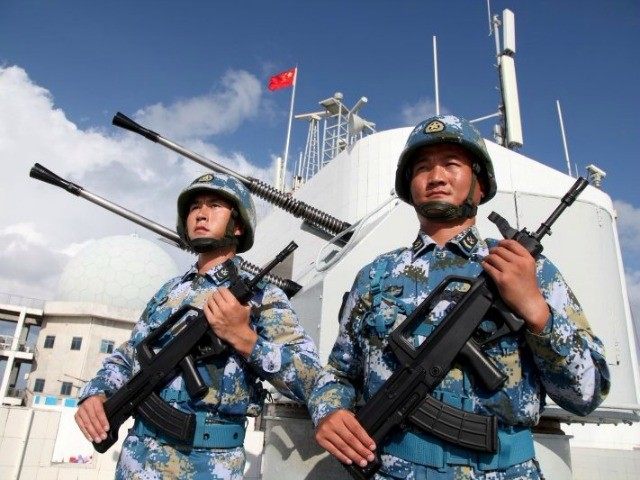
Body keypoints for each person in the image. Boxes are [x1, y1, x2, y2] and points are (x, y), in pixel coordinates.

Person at [308, 115, 610, 479]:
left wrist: (537, 311)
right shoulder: (376, 276)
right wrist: (329, 409)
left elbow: (586, 394)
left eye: (452, 164)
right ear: (410, 186)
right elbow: (340, 372)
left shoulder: (528, 270)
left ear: (479, 186)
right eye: (422, 168)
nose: (436, 177)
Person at [75, 172, 320, 479]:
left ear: (238, 224)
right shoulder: (168, 292)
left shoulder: (263, 298)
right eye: (194, 207)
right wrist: (96, 392)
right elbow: (131, 354)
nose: (201, 214)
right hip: (136, 462)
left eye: (215, 205)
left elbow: (310, 377)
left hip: (207, 466)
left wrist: (245, 339)